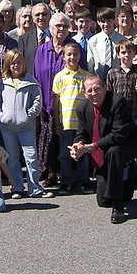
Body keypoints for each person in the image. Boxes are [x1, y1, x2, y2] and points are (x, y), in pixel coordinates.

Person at [70, 76, 137, 224]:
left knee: (114, 152)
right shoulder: (82, 108)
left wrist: (92, 146)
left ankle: (118, 207)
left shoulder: (118, 102)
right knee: (103, 201)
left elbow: (118, 135)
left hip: (129, 142)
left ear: (105, 88)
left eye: (97, 89)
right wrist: (77, 146)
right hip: (105, 146)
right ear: (84, 94)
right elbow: (81, 133)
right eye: (89, 90)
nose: (94, 93)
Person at [33, 12, 88, 188]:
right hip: (47, 104)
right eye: (58, 26)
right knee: (47, 143)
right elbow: (35, 76)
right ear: (51, 28)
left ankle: (73, 177)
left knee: (69, 143)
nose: (62, 29)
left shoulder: (75, 48)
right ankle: (50, 173)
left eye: (65, 26)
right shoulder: (42, 49)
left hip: (70, 109)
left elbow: (82, 75)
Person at [0, 50, 45, 199]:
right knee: (12, 158)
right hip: (7, 127)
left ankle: (34, 187)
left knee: (31, 156)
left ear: (24, 64)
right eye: (13, 62)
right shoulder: (1, 83)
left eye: (19, 62)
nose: (16, 65)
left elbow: (37, 102)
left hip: (26, 127)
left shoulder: (31, 82)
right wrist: (2, 116)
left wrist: (29, 116)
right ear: (8, 64)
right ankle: (17, 187)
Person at [105, 40, 137, 198]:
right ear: (118, 55)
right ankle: (125, 184)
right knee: (121, 150)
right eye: (123, 52)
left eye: (129, 52)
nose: (126, 55)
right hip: (119, 120)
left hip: (136, 116)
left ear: (134, 54)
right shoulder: (112, 73)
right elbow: (108, 96)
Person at [52, 41, 91, 193]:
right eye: (69, 54)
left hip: (81, 124)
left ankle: (83, 181)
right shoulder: (60, 77)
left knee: (83, 152)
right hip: (66, 123)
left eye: (75, 54)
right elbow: (56, 103)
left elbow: (90, 101)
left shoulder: (86, 76)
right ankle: (66, 181)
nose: (72, 57)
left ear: (80, 56)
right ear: (63, 57)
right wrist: (57, 123)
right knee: (64, 154)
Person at [87, 7, 125, 82]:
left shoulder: (122, 40)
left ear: (114, 20)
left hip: (118, 80)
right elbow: (90, 64)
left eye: (109, 21)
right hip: (99, 80)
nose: (106, 24)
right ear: (98, 22)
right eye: (103, 21)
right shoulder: (93, 41)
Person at [18, 2, 51, 72]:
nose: (41, 17)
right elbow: (20, 63)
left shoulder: (56, 36)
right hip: (31, 80)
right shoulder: (24, 39)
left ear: (50, 16)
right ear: (33, 18)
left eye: (44, 14)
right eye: (37, 15)